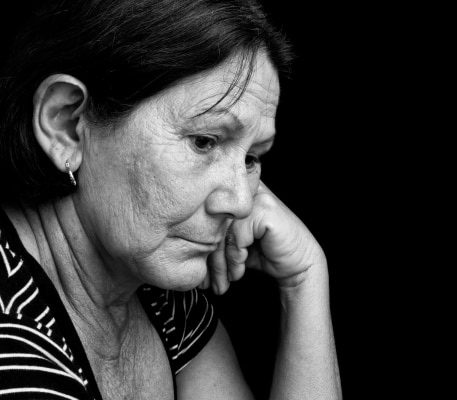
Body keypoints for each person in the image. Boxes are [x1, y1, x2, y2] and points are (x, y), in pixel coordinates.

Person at [0, 0, 342, 399]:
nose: (241, 202)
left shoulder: (158, 295)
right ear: (67, 124)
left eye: (251, 158)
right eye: (203, 141)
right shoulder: (13, 347)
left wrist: (305, 279)